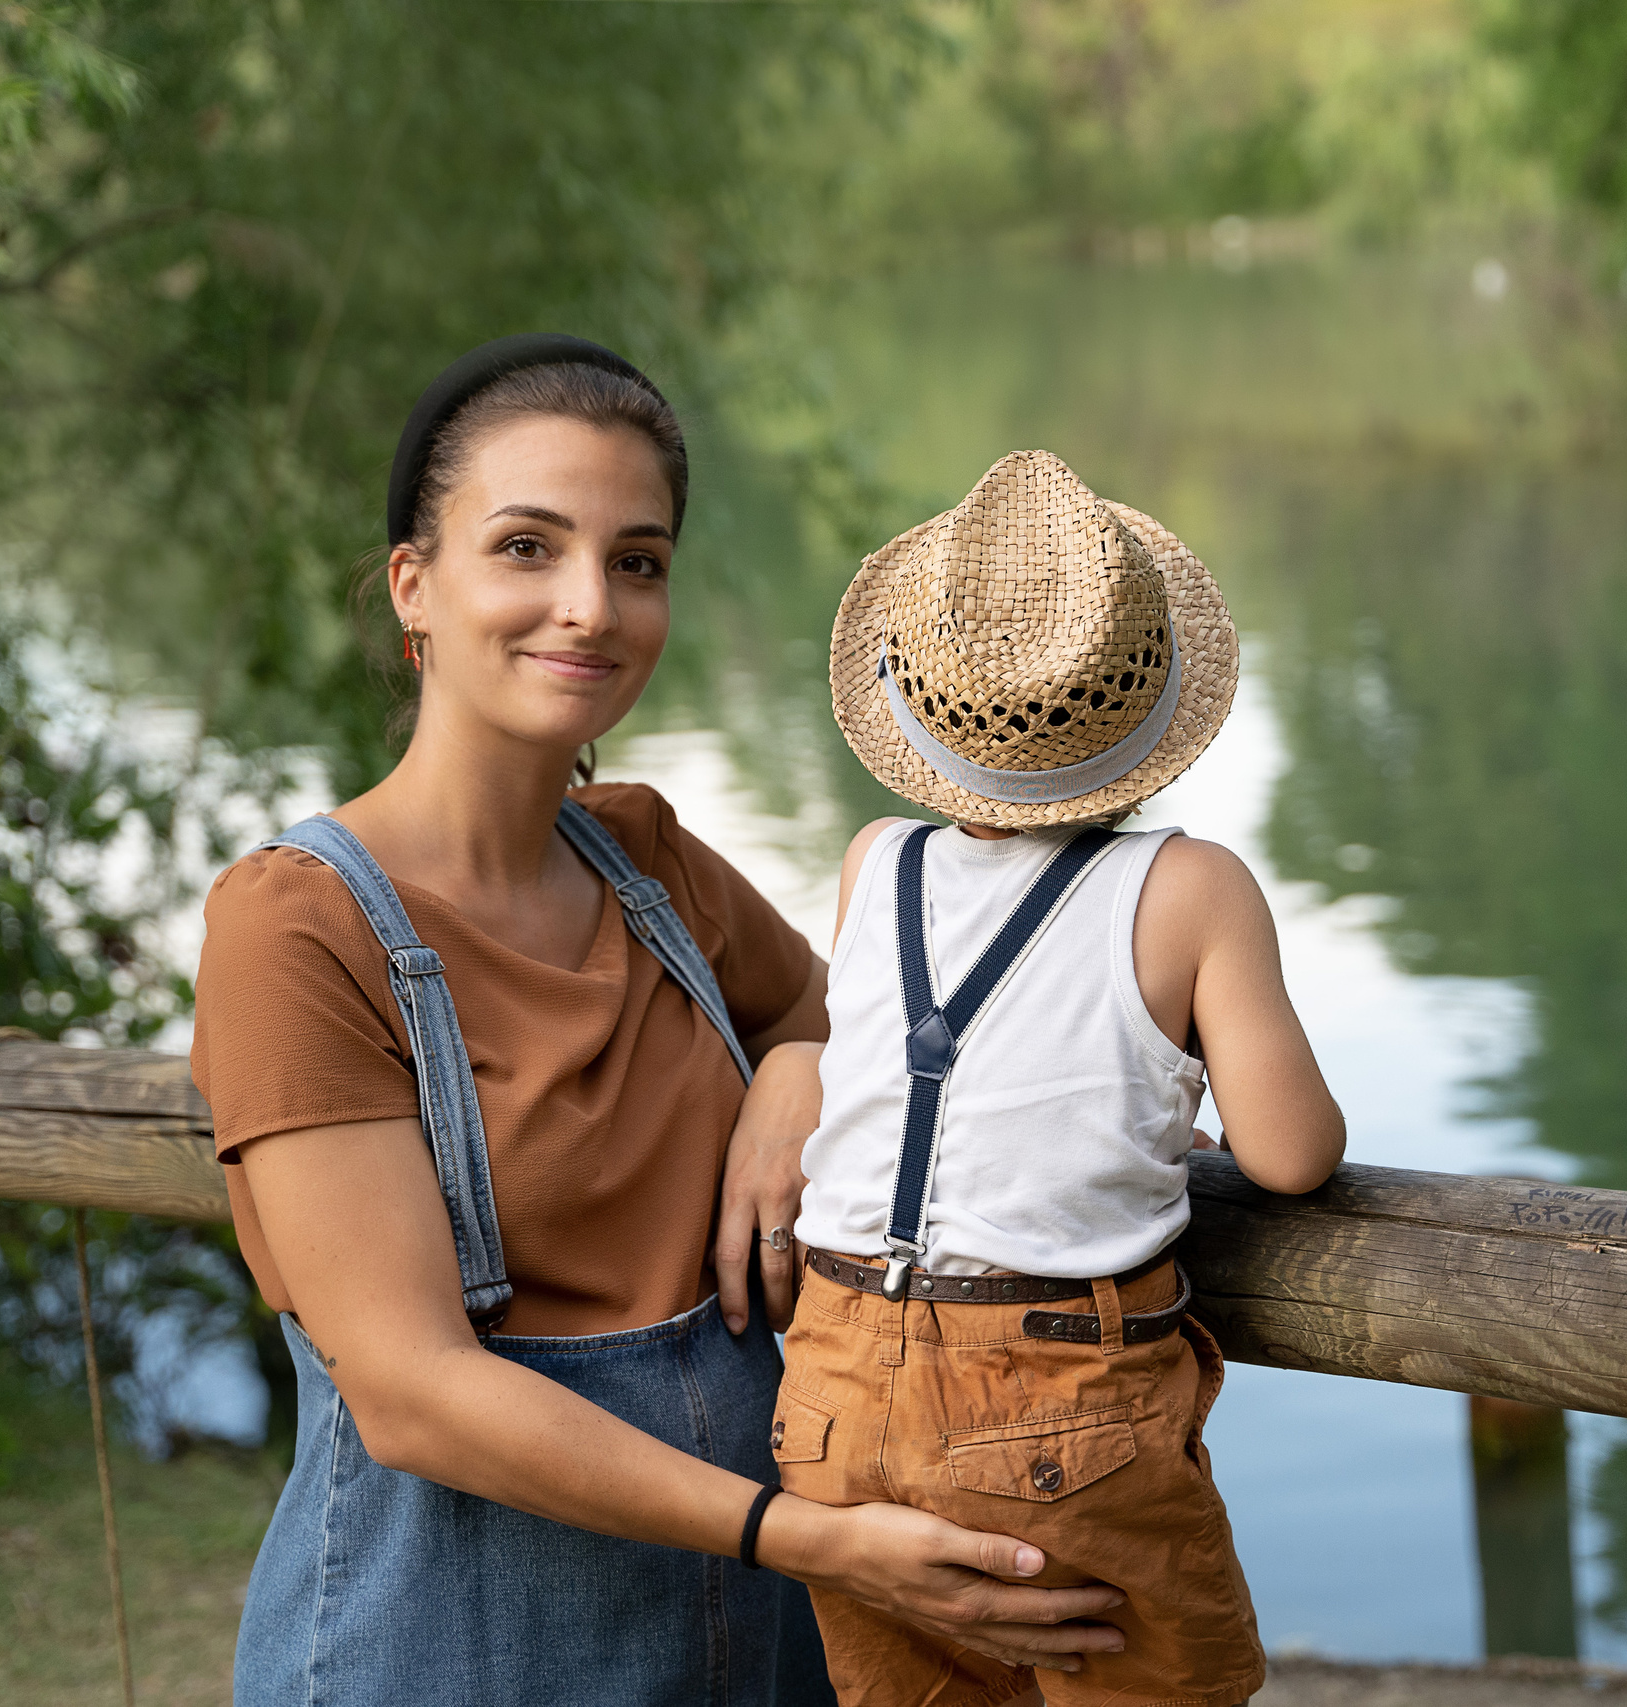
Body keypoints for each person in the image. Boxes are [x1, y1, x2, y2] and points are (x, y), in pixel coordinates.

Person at [189, 340, 1134, 1707]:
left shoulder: (651, 861)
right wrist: (812, 1537)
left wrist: (800, 1066)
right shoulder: (298, 928)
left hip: (756, 1651)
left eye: (638, 560)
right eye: (527, 545)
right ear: (415, 586)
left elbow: (873, 1018)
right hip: (453, 1657)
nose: (589, 605)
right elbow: (409, 1389)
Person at [773, 450, 1349, 1706]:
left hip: (827, 1381)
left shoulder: (877, 862)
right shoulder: (1190, 888)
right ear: (1150, 700)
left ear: (922, 705)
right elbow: (1291, 1154)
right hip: (1047, 1400)